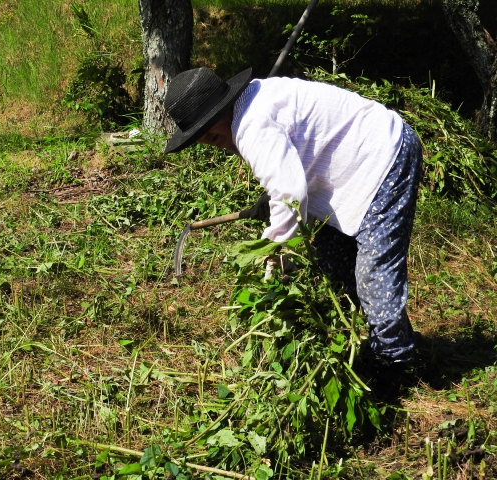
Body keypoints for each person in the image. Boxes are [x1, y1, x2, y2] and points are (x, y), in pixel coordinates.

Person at [162, 67, 423, 367]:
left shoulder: (250, 125)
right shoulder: (255, 99)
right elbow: (289, 167)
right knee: (336, 265)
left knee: (374, 274)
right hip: (351, 168)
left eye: (209, 135)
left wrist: (273, 250)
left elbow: (291, 194)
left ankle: (395, 365)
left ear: (219, 115)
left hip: (383, 156)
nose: (214, 143)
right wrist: (272, 201)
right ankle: (359, 342)